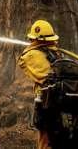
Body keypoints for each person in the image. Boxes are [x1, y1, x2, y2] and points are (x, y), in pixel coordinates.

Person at [18, 19, 61, 149]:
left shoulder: (31, 55)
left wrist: (32, 47)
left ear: (35, 39)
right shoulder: (59, 53)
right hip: (68, 104)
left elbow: (22, 61)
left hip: (48, 104)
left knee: (45, 140)